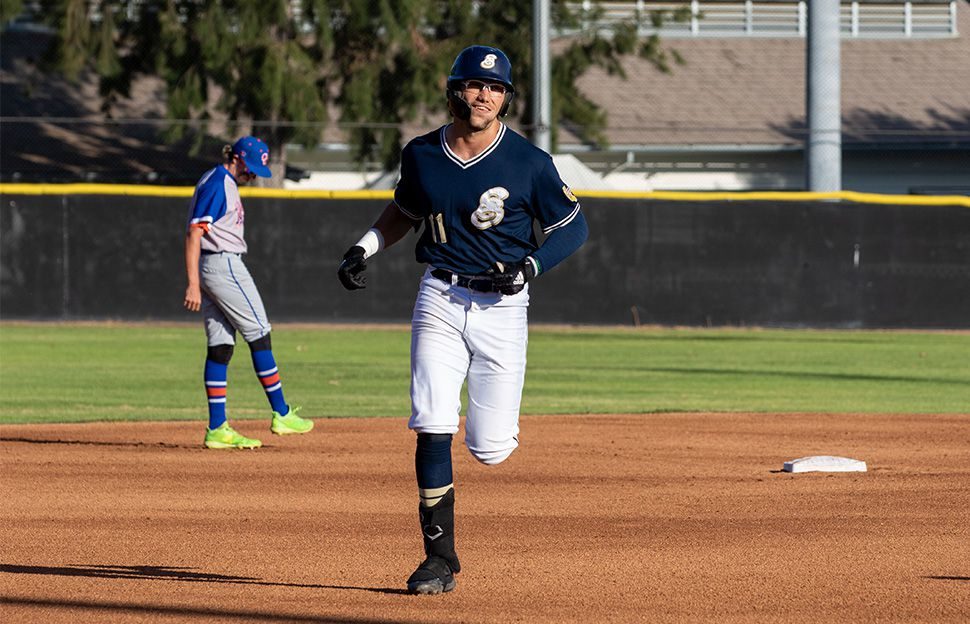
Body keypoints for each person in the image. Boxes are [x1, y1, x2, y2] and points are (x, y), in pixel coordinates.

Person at [336, 45, 588, 594]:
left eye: (495, 88)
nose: (484, 95)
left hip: (503, 306)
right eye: (475, 84)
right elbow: (404, 210)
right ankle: (439, 557)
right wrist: (364, 246)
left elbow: (574, 228)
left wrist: (531, 265)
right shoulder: (422, 154)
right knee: (431, 422)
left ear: (506, 99)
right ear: (455, 90)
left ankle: (494, 438)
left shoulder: (529, 162)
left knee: (490, 449)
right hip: (441, 298)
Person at [183, 136, 314, 449]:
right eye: (250, 167)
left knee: (220, 346)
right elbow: (193, 233)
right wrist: (191, 282)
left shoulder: (219, 180)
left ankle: (217, 428)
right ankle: (281, 412)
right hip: (223, 265)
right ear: (237, 158)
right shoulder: (220, 183)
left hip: (214, 267)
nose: (253, 175)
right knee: (260, 333)